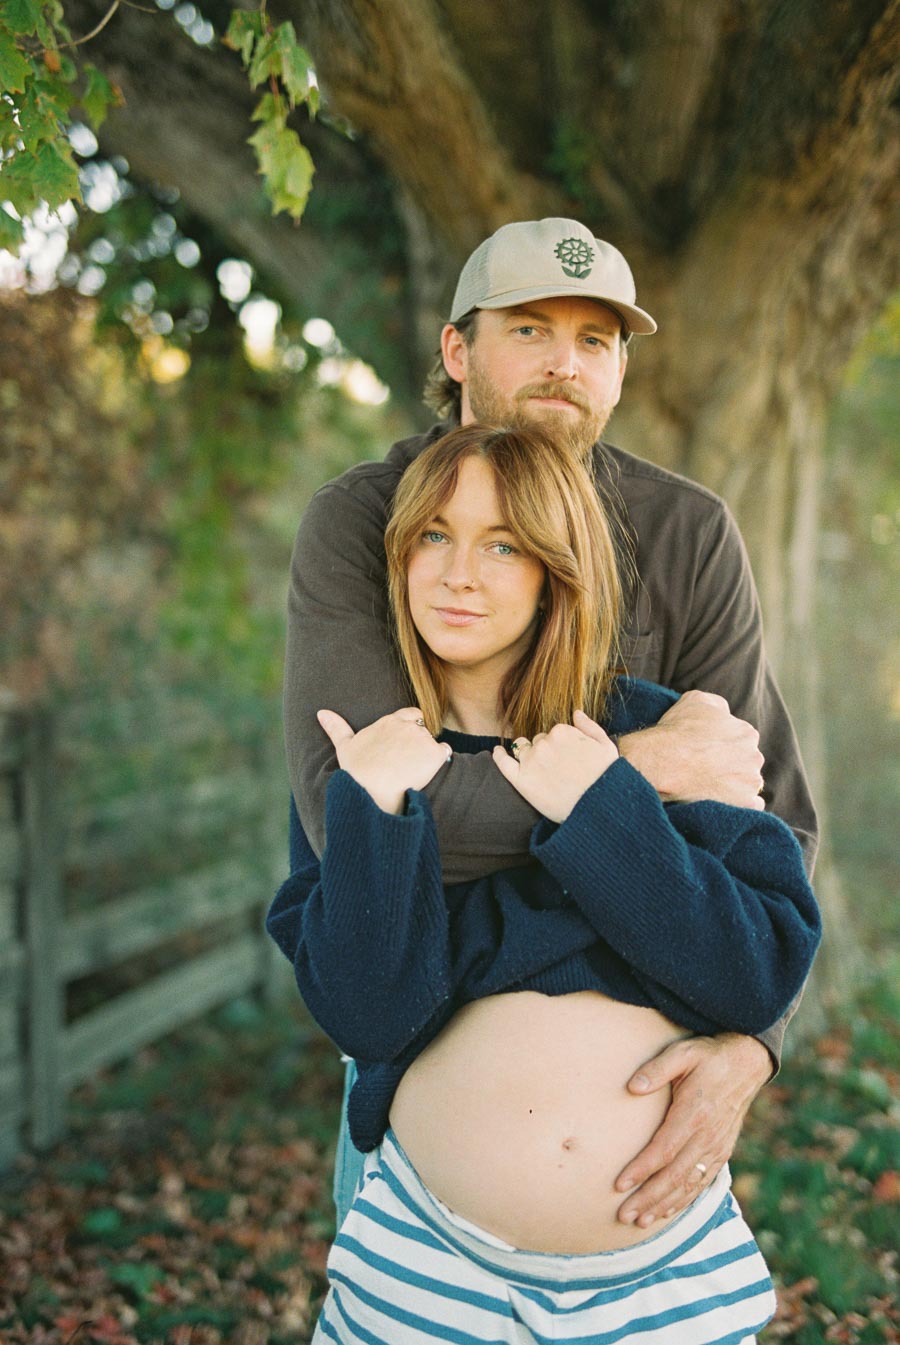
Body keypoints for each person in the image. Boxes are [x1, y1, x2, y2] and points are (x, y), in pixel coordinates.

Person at [283, 217, 819, 1232]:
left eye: (596, 338)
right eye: (529, 329)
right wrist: (635, 774)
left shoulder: (686, 531)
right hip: (424, 1091)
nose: (565, 364)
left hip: (646, 1112)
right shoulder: (364, 520)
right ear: (456, 350)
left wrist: (756, 1042)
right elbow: (354, 818)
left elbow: (769, 814)